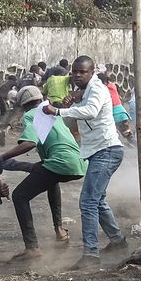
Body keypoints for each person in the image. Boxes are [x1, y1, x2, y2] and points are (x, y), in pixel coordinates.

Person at [43, 55, 126, 269]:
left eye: (82, 72)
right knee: (97, 200)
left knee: (88, 201)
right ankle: (118, 241)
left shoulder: (97, 89)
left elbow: (91, 112)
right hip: (99, 151)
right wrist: (69, 104)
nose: (78, 75)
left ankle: (91, 255)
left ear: (91, 73)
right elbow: (76, 117)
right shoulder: (85, 92)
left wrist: (58, 110)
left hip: (107, 150)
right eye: (75, 71)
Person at [2, 86, 86, 259]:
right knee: (49, 178)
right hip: (78, 162)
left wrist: (2, 157)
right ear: (41, 99)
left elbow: (29, 143)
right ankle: (60, 230)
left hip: (60, 162)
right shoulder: (53, 112)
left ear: (23, 105)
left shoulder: (31, 115)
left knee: (19, 196)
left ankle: (32, 248)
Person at [98, 73, 133, 141]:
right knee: (127, 135)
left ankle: (135, 147)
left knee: (112, 136)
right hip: (122, 113)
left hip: (115, 115)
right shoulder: (112, 86)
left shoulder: (102, 90)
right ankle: (135, 146)